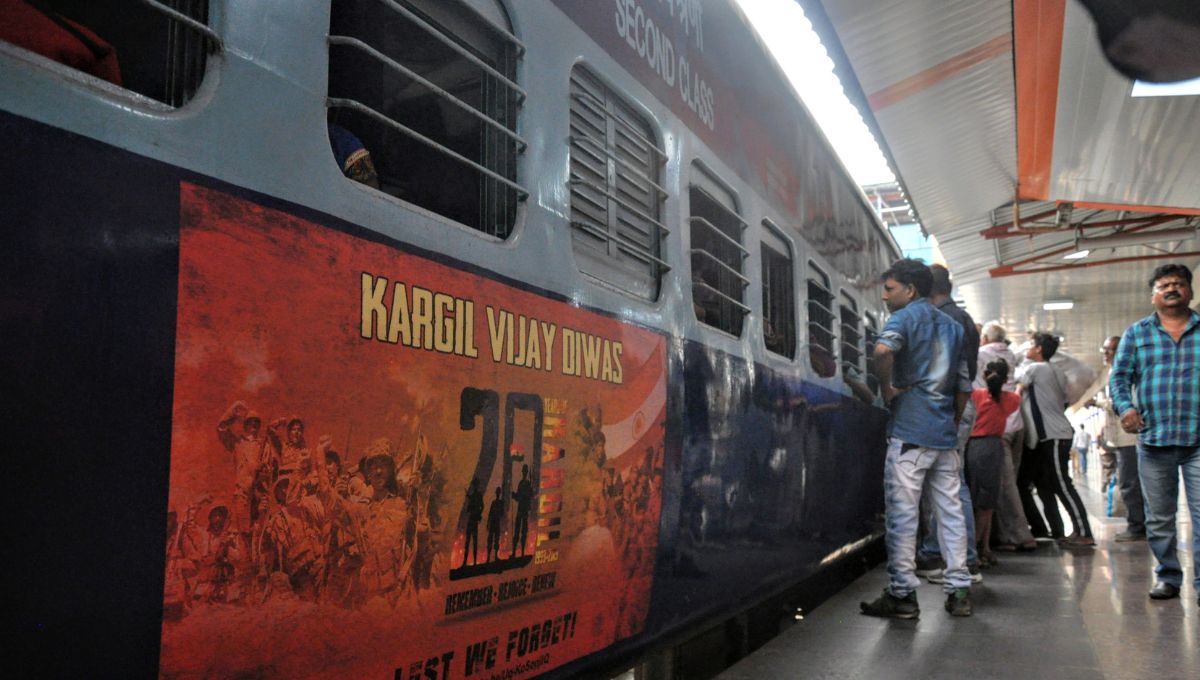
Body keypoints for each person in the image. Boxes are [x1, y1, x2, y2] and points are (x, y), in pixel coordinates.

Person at [859, 258, 973, 619]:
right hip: (944, 438)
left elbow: (883, 351)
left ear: (910, 290)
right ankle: (959, 592)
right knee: (950, 515)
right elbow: (964, 386)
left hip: (909, 433)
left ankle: (903, 595)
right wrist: (952, 421)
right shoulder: (952, 326)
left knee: (903, 516)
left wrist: (887, 388)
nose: (884, 296)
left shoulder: (904, 318)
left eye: (889, 289)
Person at [1109, 263, 1200, 604]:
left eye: (1178, 283)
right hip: (1155, 439)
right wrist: (1126, 408)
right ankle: (1168, 577)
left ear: (1190, 291)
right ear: (1153, 295)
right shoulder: (1137, 333)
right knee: (1160, 518)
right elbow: (1119, 378)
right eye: (1164, 285)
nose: (1172, 288)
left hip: (1198, 439)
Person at [916, 265, 981, 583]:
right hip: (958, 404)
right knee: (949, 481)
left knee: (951, 483)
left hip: (949, 405)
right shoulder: (962, 317)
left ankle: (960, 559)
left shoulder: (944, 320)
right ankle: (945, 554)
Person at [1016, 333, 1094, 546]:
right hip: (1053, 436)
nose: (1027, 348)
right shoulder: (1057, 370)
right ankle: (1071, 530)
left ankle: (1084, 532)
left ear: (1039, 349)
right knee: (1049, 484)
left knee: (1062, 484)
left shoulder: (1035, 369)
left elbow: (1017, 387)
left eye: (1031, 345)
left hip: (1054, 436)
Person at [976, 322, 1037, 552]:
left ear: (985, 338)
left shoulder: (981, 354)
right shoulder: (1010, 354)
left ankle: (1019, 536)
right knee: (1006, 483)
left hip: (996, 426)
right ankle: (1001, 535)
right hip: (1016, 423)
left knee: (1003, 485)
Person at [1089, 335, 1145, 541]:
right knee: (1129, 482)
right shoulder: (1114, 372)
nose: (1105, 353)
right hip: (1121, 439)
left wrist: (1098, 403)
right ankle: (1138, 523)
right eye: (1104, 349)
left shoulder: (1128, 373)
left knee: (1130, 483)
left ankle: (1137, 526)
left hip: (1129, 438)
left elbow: (1121, 404)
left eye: (1110, 349)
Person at [966, 360, 1021, 567]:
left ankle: (979, 549)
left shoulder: (975, 396)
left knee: (976, 501)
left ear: (984, 374)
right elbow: (1015, 397)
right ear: (1006, 379)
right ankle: (978, 550)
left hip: (974, 447)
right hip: (993, 448)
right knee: (988, 503)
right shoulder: (1012, 399)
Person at [511, 464, 535, 558]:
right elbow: (518, 497)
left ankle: (522, 553)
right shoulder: (521, 483)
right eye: (523, 471)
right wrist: (514, 495)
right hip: (520, 509)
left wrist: (526, 494)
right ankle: (514, 552)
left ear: (526, 472)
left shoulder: (528, 484)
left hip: (524, 510)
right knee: (517, 531)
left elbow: (531, 495)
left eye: (525, 471)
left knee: (523, 532)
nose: (524, 473)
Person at [461, 478, 484, 568]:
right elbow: (480, 507)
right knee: (471, 541)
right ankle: (468, 562)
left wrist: (477, 514)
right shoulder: (477, 495)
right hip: (473, 519)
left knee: (471, 541)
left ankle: (469, 562)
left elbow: (481, 506)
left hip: (473, 519)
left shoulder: (477, 495)